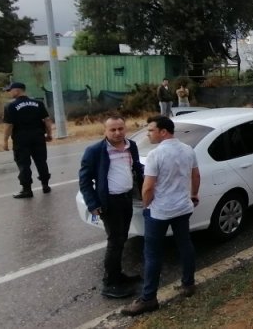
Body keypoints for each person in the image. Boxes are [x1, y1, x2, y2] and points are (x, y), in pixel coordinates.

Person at [123, 115, 200, 316]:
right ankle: (189, 284)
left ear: (163, 132)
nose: (148, 134)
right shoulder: (188, 149)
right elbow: (196, 175)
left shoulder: (155, 155)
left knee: (152, 254)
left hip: (160, 211)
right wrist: (193, 195)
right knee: (185, 245)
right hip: (182, 207)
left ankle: (148, 298)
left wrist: (146, 206)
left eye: (151, 130)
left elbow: (148, 187)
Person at [78, 115, 144, 298]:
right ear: (105, 131)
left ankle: (117, 275)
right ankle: (110, 284)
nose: (117, 132)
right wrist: (93, 203)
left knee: (122, 238)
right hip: (110, 202)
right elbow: (84, 181)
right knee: (115, 241)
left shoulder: (131, 146)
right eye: (112, 129)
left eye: (120, 128)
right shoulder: (95, 151)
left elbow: (136, 168)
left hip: (126, 199)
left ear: (125, 129)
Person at [2, 82, 53, 199]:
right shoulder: (38, 103)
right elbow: (47, 120)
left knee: (23, 164)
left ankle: (27, 190)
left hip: (21, 139)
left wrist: (5, 141)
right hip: (38, 137)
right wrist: (49, 134)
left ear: (17, 90)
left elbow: (8, 125)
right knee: (41, 161)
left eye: (10, 90)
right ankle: (45, 185)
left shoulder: (10, 106)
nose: (9, 93)